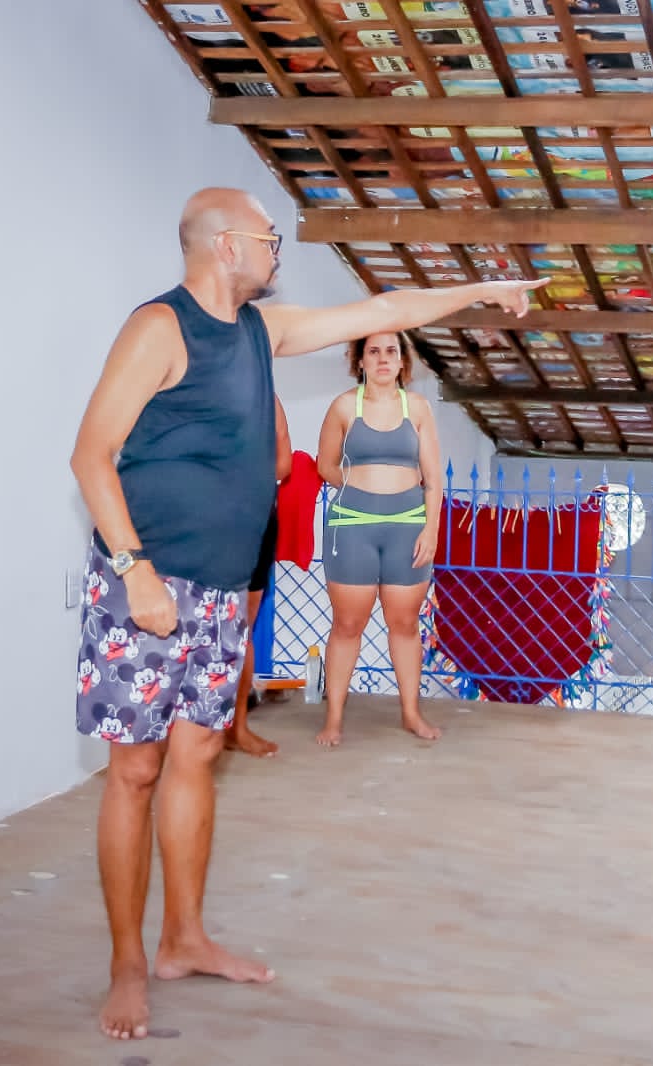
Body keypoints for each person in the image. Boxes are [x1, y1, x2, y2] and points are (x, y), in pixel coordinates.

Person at [69, 186, 547, 1041]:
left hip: (221, 589)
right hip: (147, 584)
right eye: (269, 237)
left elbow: (386, 309)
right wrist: (136, 573)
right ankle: (126, 963)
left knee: (196, 756)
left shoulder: (262, 331)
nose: (277, 251)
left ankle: (182, 939)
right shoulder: (160, 329)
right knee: (134, 772)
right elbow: (90, 454)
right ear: (225, 245)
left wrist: (480, 290)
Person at [312, 331, 445, 747]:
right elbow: (325, 465)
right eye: (374, 352)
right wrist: (360, 486)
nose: (383, 359)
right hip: (352, 526)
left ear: (403, 361)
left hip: (407, 527)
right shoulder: (343, 406)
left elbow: (433, 478)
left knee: (404, 623)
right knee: (348, 624)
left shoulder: (418, 408)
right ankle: (334, 718)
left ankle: (411, 713)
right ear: (361, 361)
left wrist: (431, 528)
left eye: (391, 351)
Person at [226, 394, 292, 758]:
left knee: (241, 628)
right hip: (196, 524)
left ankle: (236, 727)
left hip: (253, 520)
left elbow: (284, 463)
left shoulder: (266, 397)